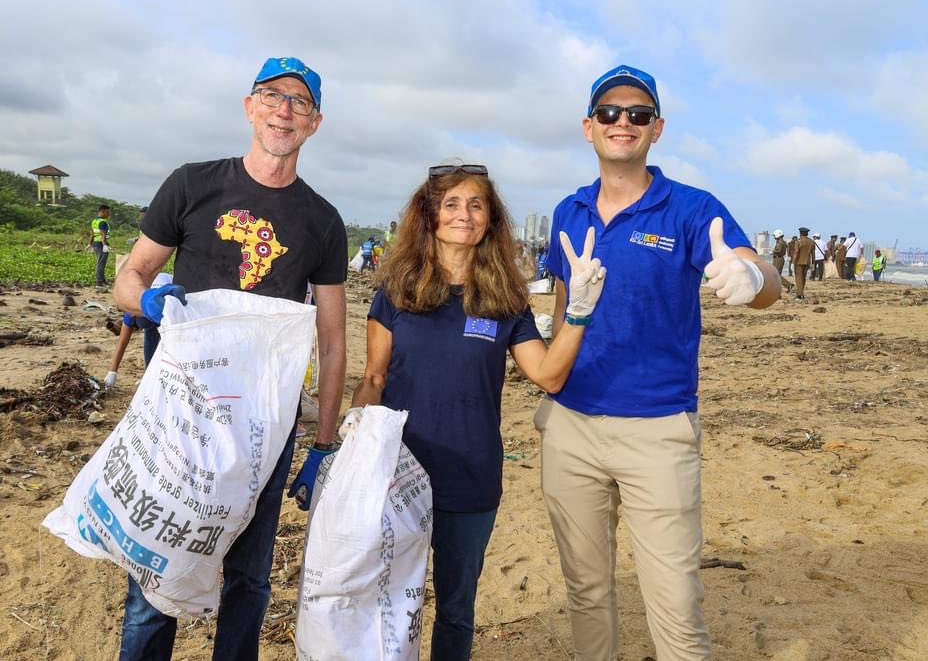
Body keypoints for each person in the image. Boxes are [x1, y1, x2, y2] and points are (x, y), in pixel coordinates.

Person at [537, 65, 781, 661]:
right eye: (611, 113)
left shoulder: (692, 208)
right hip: (570, 425)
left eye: (638, 114)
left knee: (673, 603)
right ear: (588, 126)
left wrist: (752, 275)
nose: (624, 123)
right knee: (587, 592)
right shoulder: (569, 210)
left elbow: (765, 278)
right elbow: (565, 300)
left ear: (658, 128)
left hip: (659, 430)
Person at [113, 56, 347, 660]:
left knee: (249, 576)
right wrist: (147, 298)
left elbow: (331, 337)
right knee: (153, 570)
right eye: (272, 96)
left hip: (264, 425)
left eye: (299, 102)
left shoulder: (322, 221)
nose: (284, 110)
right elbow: (130, 276)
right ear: (250, 106)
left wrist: (322, 443)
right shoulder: (192, 184)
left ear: (315, 122)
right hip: (181, 419)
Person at [345, 163, 605, 660]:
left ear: (490, 220)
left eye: (476, 204)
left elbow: (548, 375)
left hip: (471, 475)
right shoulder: (396, 291)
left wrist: (577, 315)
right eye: (451, 204)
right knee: (390, 600)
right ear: (430, 217)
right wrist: (354, 427)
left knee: (456, 609)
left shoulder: (504, 301)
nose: (464, 214)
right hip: (396, 474)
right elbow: (374, 378)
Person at [103, 272, 173, 390]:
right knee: (150, 337)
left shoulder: (167, 308)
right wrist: (112, 372)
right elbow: (122, 343)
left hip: (171, 298)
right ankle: (149, 375)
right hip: (150, 294)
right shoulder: (132, 310)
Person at [91, 204, 112, 288]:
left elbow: (92, 233)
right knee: (101, 263)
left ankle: (103, 281)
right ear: (102, 211)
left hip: (96, 242)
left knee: (100, 262)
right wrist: (105, 245)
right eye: (107, 212)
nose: (108, 214)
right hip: (101, 244)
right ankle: (99, 282)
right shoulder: (103, 222)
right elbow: (103, 234)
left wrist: (90, 243)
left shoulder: (94, 221)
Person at [792, 227, 815, 299]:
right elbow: (813, 254)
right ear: (807, 233)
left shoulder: (798, 242)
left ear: (800, 233)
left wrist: (793, 263)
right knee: (803, 278)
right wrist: (813, 263)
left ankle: (799, 295)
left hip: (798, 262)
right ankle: (801, 293)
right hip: (807, 262)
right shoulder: (812, 242)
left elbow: (796, 252)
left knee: (798, 278)